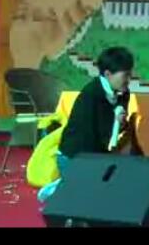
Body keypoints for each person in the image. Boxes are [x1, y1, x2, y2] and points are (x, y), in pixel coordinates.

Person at [37, 46, 140, 202]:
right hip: (74, 156)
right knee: (87, 198)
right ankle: (59, 188)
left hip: (96, 154)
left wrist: (122, 123)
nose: (129, 79)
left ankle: (71, 185)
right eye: (125, 75)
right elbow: (90, 136)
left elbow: (117, 125)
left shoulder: (123, 93)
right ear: (108, 74)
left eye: (130, 74)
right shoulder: (91, 94)